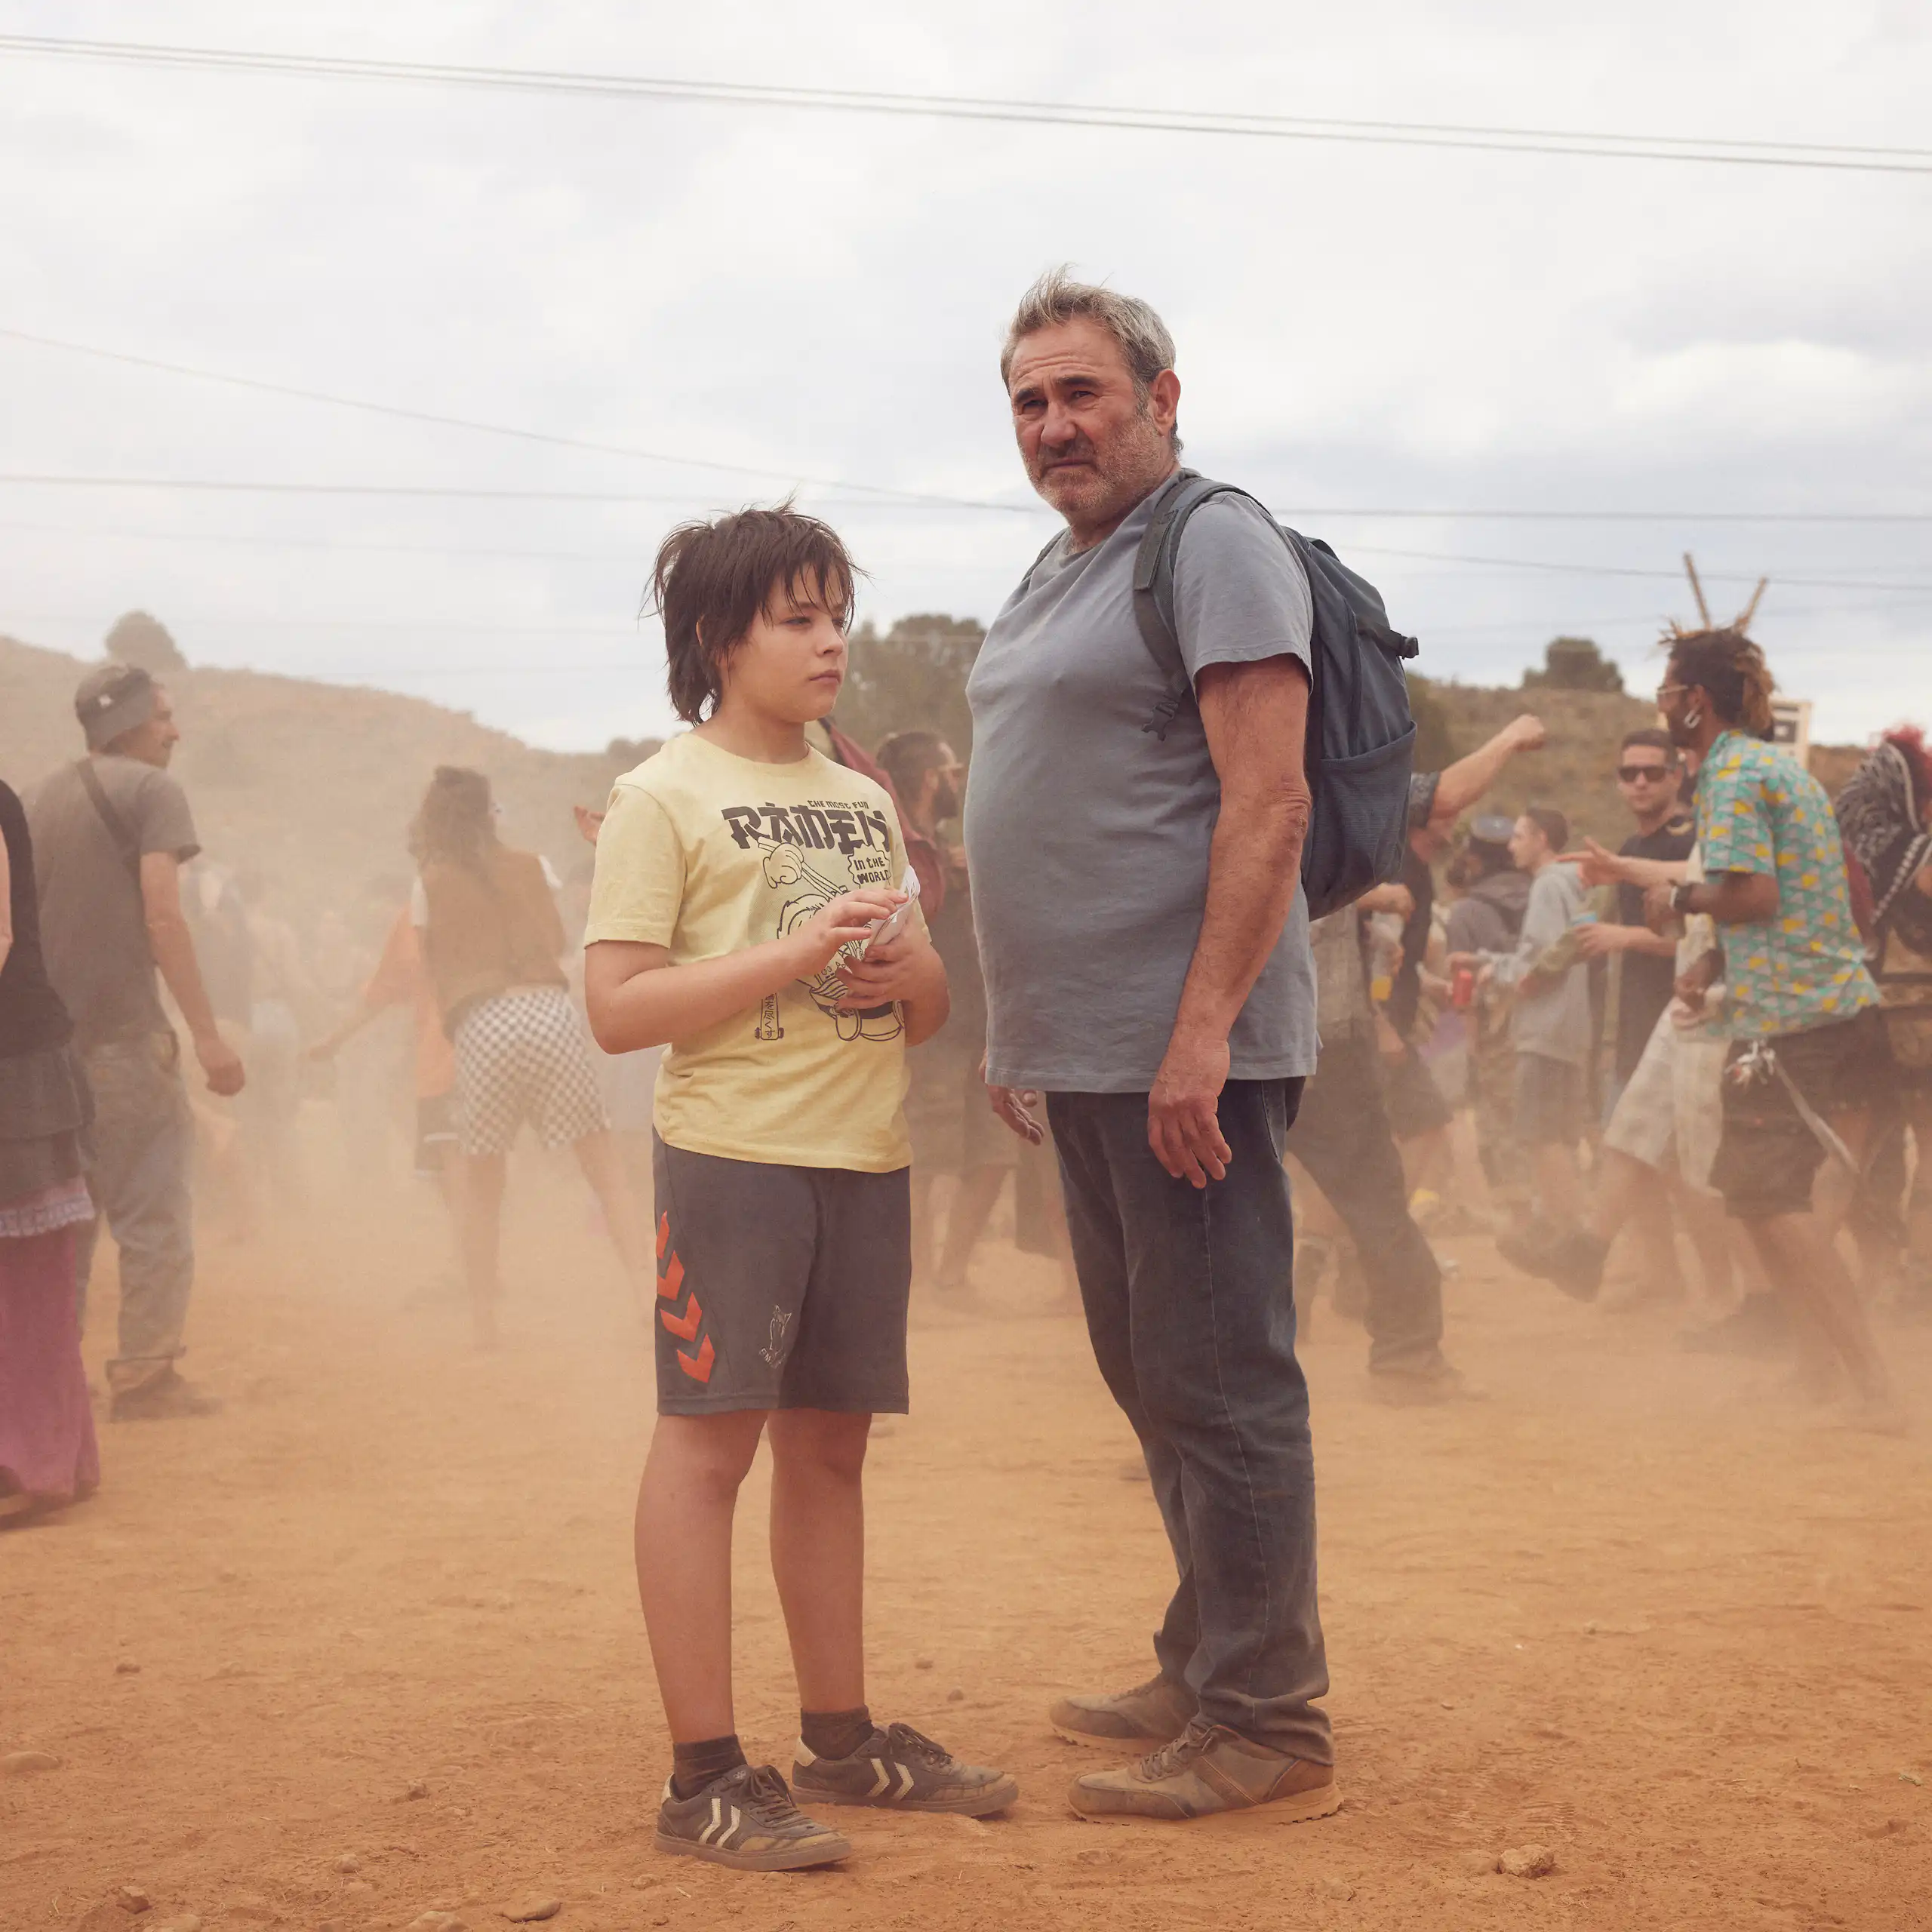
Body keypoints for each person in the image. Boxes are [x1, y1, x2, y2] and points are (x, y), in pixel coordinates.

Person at [583, 506, 1014, 1873]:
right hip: (733, 1165)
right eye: (799, 616)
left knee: (831, 1452)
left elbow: (929, 1005)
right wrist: (785, 959)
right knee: (709, 1450)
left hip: (863, 1162)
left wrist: (906, 975)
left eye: (840, 613)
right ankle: (703, 1775)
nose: (833, 640)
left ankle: (845, 1736)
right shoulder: (665, 795)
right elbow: (615, 1009)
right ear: (722, 636)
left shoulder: (859, 796)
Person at [967, 271, 1339, 1827]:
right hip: (1089, 1050)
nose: (1053, 424)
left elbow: (1265, 800)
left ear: (1161, 397)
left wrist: (1199, 1032)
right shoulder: (1058, 568)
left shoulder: (1212, 540)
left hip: (1187, 1050)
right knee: (1149, 1368)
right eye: (1027, 403)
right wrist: (1016, 1024)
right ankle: (1204, 1654)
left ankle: (1267, 1716)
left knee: (1217, 1370)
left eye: (1081, 393)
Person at [1655, 627, 1898, 1425]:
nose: (1659, 702)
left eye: (1666, 688)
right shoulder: (1775, 769)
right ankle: (1821, 1374)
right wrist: (1712, 965)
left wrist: (1682, 901)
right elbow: (1787, 896)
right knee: (1785, 1209)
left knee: (1769, 1204)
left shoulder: (1728, 775)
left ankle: (1870, 1388)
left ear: (1694, 700)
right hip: (1840, 1014)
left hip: (1795, 1027)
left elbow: (1752, 894)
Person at [25, 663, 244, 1419]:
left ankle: (49, 1384)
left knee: (62, 1219)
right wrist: (209, 1036)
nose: (174, 730)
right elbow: (162, 917)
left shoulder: (36, 798)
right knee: (151, 1210)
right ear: (126, 725)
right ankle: (146, 1378)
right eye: (164, 718)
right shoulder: (152, 792)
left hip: (43, 1059)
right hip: (124, 1045)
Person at [408, 767, 654, 1349]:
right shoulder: (532, 865)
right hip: (548, 1012)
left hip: (482, 1024)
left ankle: (483, 1323)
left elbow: (430, 968)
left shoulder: (429, 883)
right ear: (490, 810)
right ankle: (646, 1298)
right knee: (606, 1174)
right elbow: (556, 941)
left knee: (484, 1187)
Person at [874, 729, 1017, 1298]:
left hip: (978, 1028)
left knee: (995, 1154)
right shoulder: (896, 849)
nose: (959, 782)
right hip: (928, 1031)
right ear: (932, 780)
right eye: (952, 773)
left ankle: (950, 1277)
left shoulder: (941, 853)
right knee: (922, 1164)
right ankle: (915, 1288)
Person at [1572, 731, 1704, 1302]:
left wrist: (1623, 936)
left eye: (1652, 772)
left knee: (1680, 1172)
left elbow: (1701, 940)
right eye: (1629, 774)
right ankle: (1662, 1277)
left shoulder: (1693, 842)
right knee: (1638, 1159)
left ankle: (1739, 1291)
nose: (1641, 782)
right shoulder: (1630, 845)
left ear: (1678, 776)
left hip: (1681, 1023)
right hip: (1634, 1024)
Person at [0, 778, 100, 1521]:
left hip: (14, 1060)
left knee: (26, 1273)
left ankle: (32, 1458)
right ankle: (56, 1450)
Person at [1454, 808, 1605, 1294]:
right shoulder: (1569, 883)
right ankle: (1566, 1232)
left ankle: (1574, 1239)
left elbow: (1542, 959)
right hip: (1569, 1027)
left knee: (1542, 1138)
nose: (1511, 847)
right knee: (1558, 1135)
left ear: (1542, 839)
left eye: (1519, 837)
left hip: (1544, 1027)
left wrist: (1490, 969)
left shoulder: (1547, 884)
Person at [1837, 725, 1932, 1316]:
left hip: (1861, 1017)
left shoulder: (1852, 853)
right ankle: (1920, 1276)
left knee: (1860, 1154)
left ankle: (1867, 1276)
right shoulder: (1922, 855)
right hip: (1921, 1023)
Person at [1444, 817, 1533, 1224]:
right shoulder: (1541, 892)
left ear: (1476, 861)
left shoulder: (1466, 911)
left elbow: (1464, 991)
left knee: (1500, 1122)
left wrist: (1473, 1046)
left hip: (1497, 1034)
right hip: (1545, 1028)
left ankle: (1522, 1216)